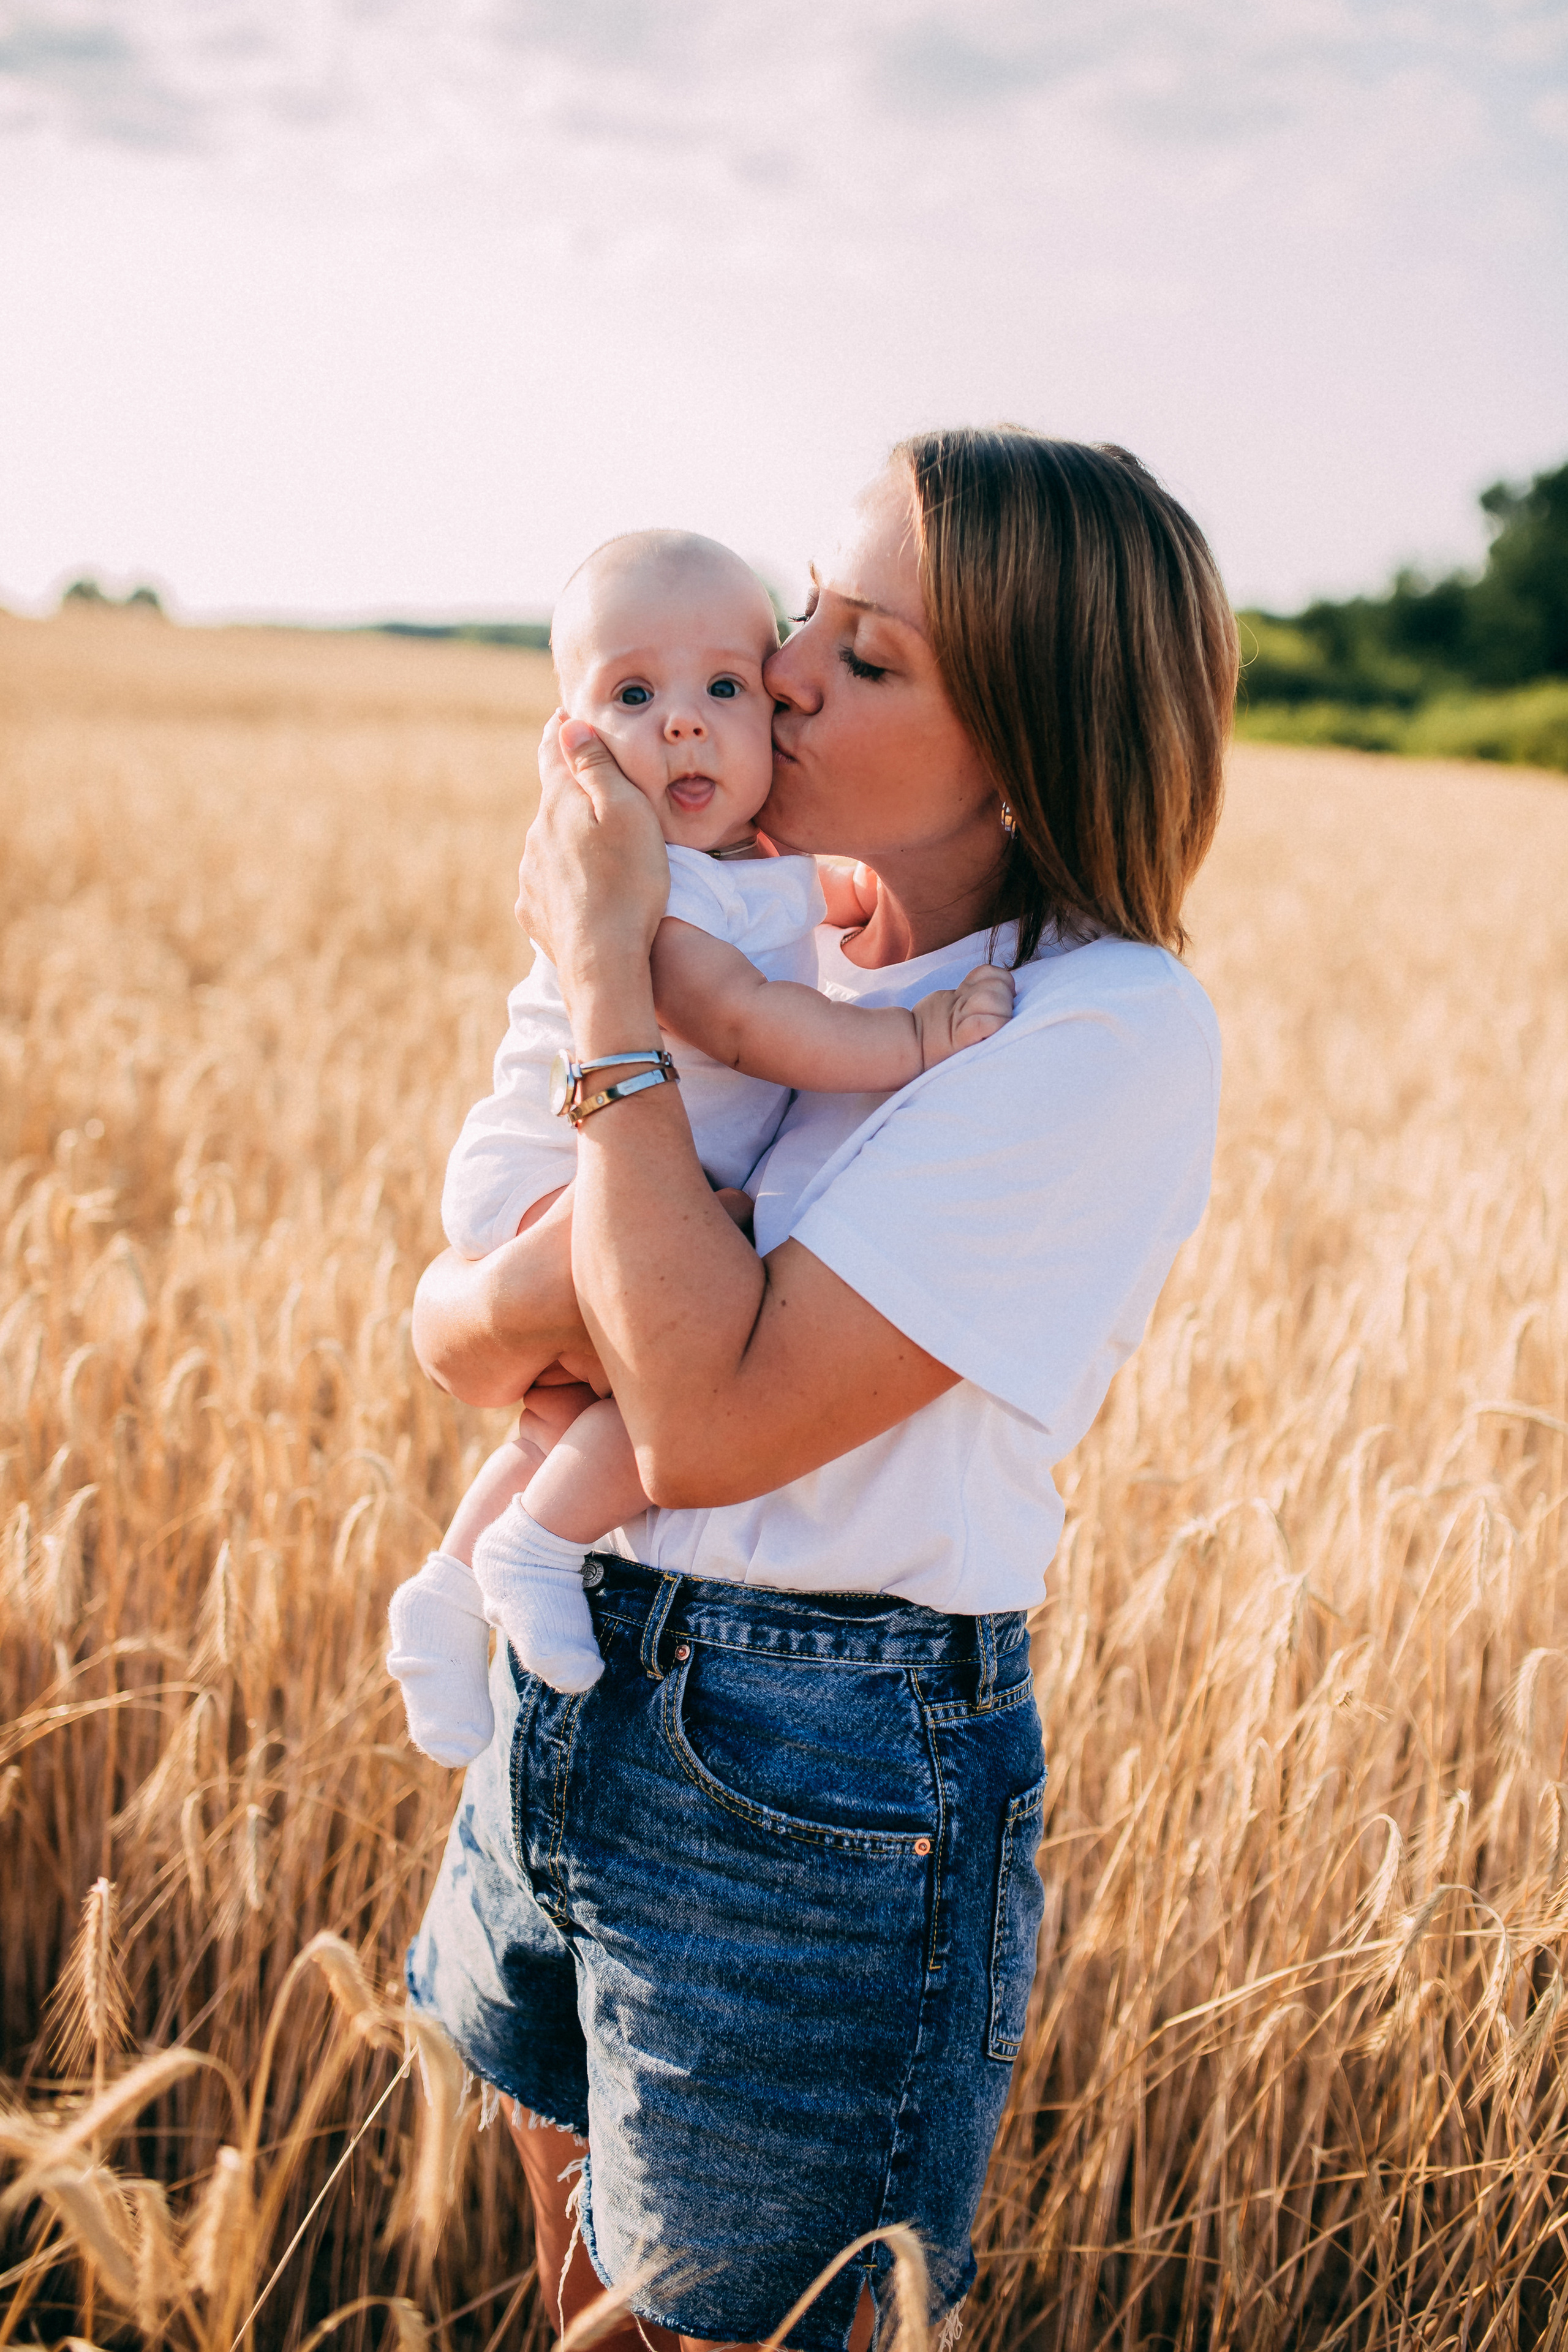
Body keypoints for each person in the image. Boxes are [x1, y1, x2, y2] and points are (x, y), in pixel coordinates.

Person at [405, 428, 1238, 2352]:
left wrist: (610, 980)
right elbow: (455, 1341)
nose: (773, 677)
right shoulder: (782, 935)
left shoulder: (1096, 1034)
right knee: (573, 2289)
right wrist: (584, 1210)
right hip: (579, 1670)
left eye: (864, 658)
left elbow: (695, 1421)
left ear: (1029, 740)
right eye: (806, 617)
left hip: (811, 1778)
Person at [386, 529, 1012, 1757]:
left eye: (722, 687)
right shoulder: (646, 891)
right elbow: (753, 1020)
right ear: (570, 743)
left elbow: (816, 899)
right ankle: (535, 1542)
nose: (682, 723)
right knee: (670, 1338)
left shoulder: (742, 869)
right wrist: (918, 1035)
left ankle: (448, 1587)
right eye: (633, 695)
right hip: (556, 1174)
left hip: (595, 1176)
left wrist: (864, 894)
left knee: (564, 1404)